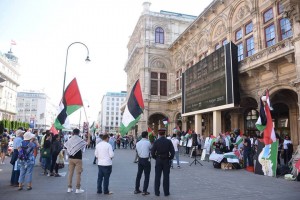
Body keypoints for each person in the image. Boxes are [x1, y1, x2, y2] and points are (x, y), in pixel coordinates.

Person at [151, 128, 175, 197]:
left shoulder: (156, 141)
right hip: (166, 160)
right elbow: (172, 152)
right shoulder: (168, 141)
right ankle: (166, 192)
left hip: (158, 159)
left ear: (159, 134)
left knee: (157, 176)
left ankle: (157, 192)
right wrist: (170, 158)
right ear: (164, 133)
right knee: (166, 177)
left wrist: (156, 157)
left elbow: (152, 152)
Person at [64, 128, 87, 193]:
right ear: (79, 133)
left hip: (71, 158)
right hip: (78, 158)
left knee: (70, 173)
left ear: (73, 132)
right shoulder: (80, 140)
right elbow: (86, 145)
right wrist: (88, 137)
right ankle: (77, 188)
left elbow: (66, 147)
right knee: (78, 174)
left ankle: (69, 188)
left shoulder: (70, 139)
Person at [134, 131, 151, 196]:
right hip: (146, 160)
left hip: (140, 159)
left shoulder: (138, 143)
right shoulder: (148, 142)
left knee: (139, 175)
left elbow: (136, 151)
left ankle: (136, 189)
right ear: (146, 136)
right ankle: (144, 190)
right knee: (146, 176)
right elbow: (150, 149)